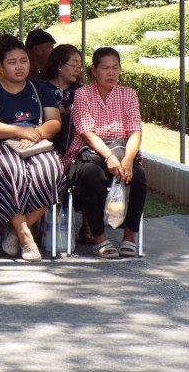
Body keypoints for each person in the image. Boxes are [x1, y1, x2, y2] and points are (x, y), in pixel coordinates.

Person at [0, 37, 64, 262]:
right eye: (12, 62)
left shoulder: (40, 88)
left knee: (51, 170)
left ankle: (14, 230)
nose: (19, 66)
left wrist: (36, 134)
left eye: (23, 61)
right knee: (11, 171)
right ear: (0, 65)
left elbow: (54, 121)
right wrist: (19, 131)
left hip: (35, 142)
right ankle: (26, 237)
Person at [65, 47, 146, 259]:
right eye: (105, 68)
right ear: (94, 70)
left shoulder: (129, 94)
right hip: (91, 151)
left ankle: (130, 236)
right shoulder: (82, 94)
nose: (111, 73)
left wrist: (128, 159)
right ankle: (99, 238)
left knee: (138, 177)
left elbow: (135, 131)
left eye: (115, 68)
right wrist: (108, 156)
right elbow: (85, 132)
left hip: (121, 149)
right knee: (91, 175)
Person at [42, 44, 84, 155]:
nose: (78, 69)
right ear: (60, 65)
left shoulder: (81, 91)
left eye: (79, 66)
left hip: (74, 148)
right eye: (74, 65)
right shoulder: (41, 88)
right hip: (45, 145)